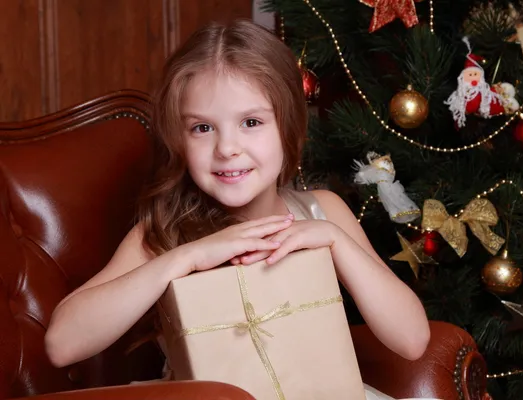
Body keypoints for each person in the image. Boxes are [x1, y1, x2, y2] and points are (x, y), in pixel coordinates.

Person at [44, 19, 430, 399]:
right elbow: (61, 344)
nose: (226, 148)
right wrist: (187, 257)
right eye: (202, 128)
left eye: (250, 122)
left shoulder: (323, 211)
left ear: (289, 127)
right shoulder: (162, 233)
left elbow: (412, 340)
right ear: (178, 139)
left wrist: (335, 240)